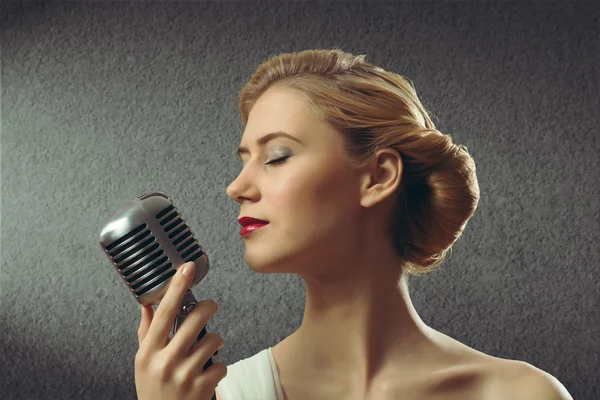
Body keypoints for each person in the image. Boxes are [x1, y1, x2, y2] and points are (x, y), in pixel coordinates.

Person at [134, 48, 573, 400]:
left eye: (277, 157)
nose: (236, 187)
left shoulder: (520, 394)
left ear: (379, 176)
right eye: (245, 161)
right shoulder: (221, 395)